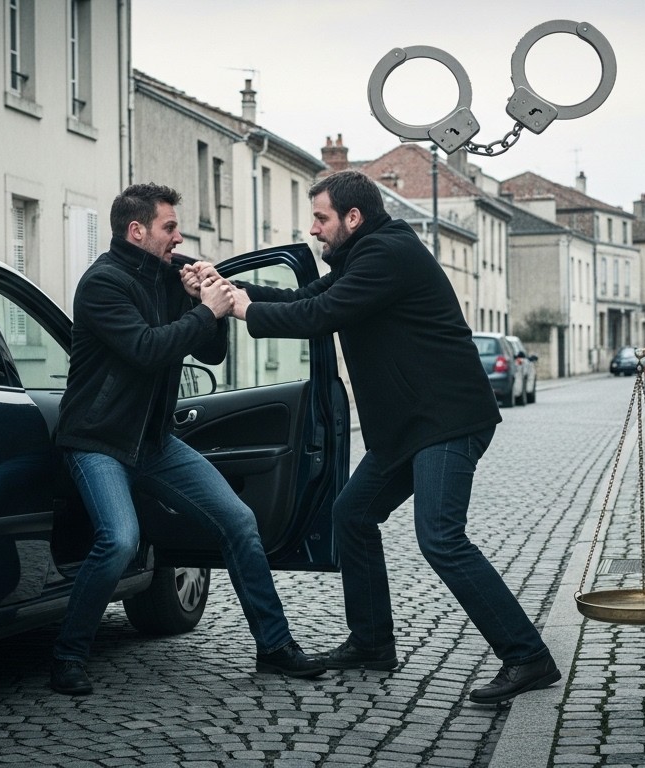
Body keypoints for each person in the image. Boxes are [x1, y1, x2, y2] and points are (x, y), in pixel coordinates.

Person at [224, 170, 561, 705]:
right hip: (408, 427)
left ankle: (528, 656)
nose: (313, 228)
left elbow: (319, 314)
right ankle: (372, 642)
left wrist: (243, 310)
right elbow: (303, 296)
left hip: (446, 421)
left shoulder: (387, 255)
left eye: (321, 218)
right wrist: (229, 292)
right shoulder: (362, 257)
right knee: (352, 514)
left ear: (353, 217)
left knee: (441, 538)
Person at [49, 182, 325, 695]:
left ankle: (275, 647)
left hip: (155, 442)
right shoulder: (102, 283)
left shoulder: (174, 277)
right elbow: (146, 349)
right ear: (137, 231)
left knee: (239, 521)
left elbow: (212, 352)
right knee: (119, 539)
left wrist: (202, 300)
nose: (179, 238)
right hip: (97, 440)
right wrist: (207, 311)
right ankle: (68, 655)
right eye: (170, 227)